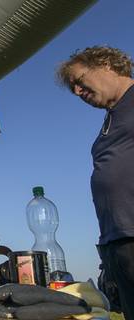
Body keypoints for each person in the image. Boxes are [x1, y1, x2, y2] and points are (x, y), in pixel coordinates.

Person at [57, 46, 134, 319]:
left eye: (79, 81)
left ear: (105, 64)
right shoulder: (110, 119)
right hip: (117, 241)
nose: (77, 92)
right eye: (73, 88)